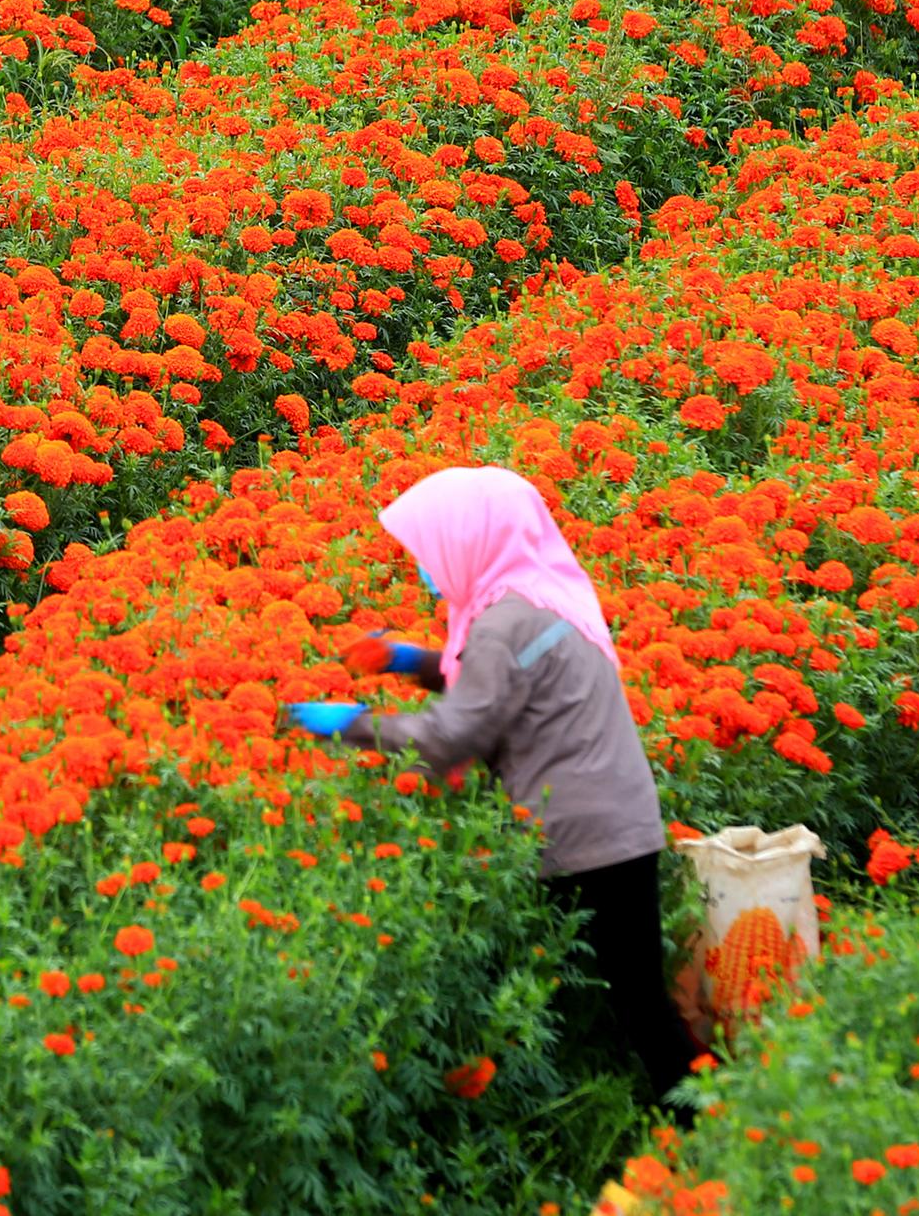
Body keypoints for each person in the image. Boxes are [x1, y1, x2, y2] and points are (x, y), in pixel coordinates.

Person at [286, 465, 708, 1115]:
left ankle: (706, 1129)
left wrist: (352, 726)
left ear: (470, 541)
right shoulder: (533, 597)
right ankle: (689, 1117)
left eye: (431, 553)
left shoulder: (499, 625)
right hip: (613, 821)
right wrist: (405, 658)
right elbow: (498, 681)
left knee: (632, 1002)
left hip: (584, 835)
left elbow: (450, 735)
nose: (427, 568)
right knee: (618, 993)